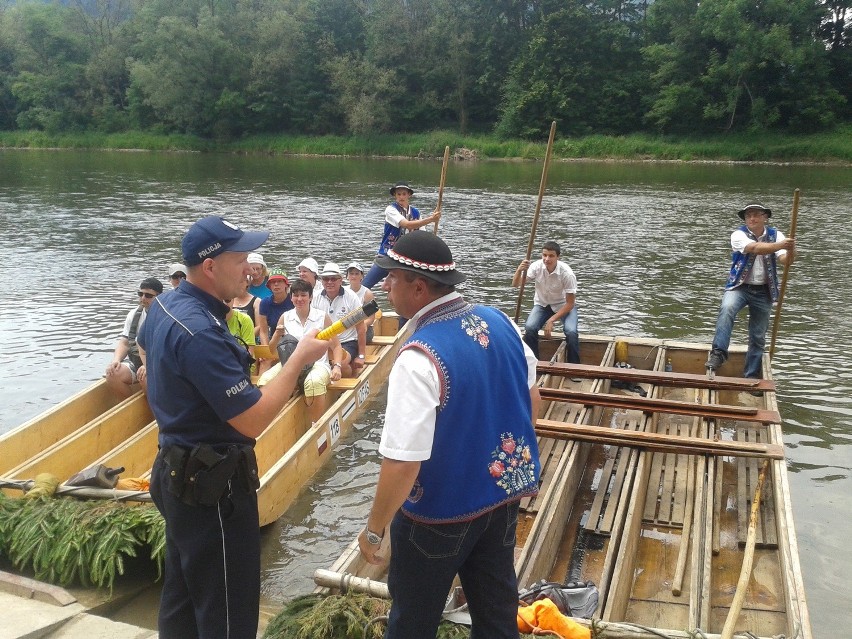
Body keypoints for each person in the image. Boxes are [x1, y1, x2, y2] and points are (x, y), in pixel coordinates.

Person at [137, 215, 328, 639]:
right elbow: (253, 419)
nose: (249, 268)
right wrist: (298, 359)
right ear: (210, 266)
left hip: (173, 471)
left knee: (183, 599)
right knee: (228, 613)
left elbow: (148, 356)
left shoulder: (165, 306)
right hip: (213, 490)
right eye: (240, 258)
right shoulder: (202, 332)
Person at [358, 231, 541, 639]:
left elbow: (404, 461)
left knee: (412, 621)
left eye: (392, 278)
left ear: (418, 287)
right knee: (496, 611)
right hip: (500, 499)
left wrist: (374, 528)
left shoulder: (418, 356)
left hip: (439, 516)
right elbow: (531, 399)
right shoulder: (501, 320)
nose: (384, 285)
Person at [706, 203, 795, 378]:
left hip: (764, 290)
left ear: (765, 217)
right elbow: (755, 248)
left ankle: (751, 376)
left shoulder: (776, 235)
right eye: (748, 216)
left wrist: (792, 249)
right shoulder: (738, 234)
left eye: (755, 215)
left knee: (758, 335)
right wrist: (781, 245)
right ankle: (718, 353)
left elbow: (785, 260)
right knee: (727, 309)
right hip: (739, 287)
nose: (752, 219)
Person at [262, 278, 344, 422]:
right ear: (291, 297)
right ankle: (270, 423)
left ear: (310, 297)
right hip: (291, 363)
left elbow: (336, 346)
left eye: (303, 295)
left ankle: (316, 426)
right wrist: (276, 335)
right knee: (265, 380)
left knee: (314, 382)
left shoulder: (322, 317)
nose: (299, 299)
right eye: (296, 295)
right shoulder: (285, 317)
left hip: (318, 364)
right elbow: (271, 350)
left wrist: (337, 366)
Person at [362, 182, 442, 290]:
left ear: (409, 195)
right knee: (365, 286)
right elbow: (406, 224)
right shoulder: (391, 209)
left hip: (405, 259)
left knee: (407, 290)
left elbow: (421, 235)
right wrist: (431, 219)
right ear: (395, 195)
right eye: (398, 194)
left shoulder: (415, 213)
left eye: (404, 194)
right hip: (388, 255)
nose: (401, 197)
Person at [512, 240, 580, 363]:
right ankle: (534, 361)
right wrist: (519, 270)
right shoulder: (536, 267)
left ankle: (574, 365)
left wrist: (551, 320)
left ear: (558, 257)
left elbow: (570, 303)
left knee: (571, 332)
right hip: (542, 304)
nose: (547, 259)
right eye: (544, 255)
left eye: (551, 256)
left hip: (563, 305)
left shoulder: (567, 274)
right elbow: (516, 284)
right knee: (530, 328)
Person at [104, 276, 163, 398]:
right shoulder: (133, 315)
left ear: (159, 297)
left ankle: (154, 412)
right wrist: (116, 360)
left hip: (158, 365)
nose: (143, 298)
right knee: (112, 374)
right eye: (140, 294)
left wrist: (149, 366)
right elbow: (125, 342)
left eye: (148, 295)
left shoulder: (164, 316)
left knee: (146, 378)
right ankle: (130, 411)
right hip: (137, 362)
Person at [312, 262, 366, 377]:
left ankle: (345, 387)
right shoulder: (315, 297)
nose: (329, 282)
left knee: (341, 363)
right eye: (326, 279)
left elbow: (361, 328)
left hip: (347, 341)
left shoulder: (351, 297)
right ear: (322, 281)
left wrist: (361, 356)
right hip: (324, 341)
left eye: (333, 279)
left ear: (340, 280)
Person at [346, 261, 376, 343]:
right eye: (351, 274)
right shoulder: (344, 291)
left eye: (356, 274)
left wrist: (361, 326)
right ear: (347, 276)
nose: (354, 276)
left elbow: (371, 318)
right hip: (347, 327)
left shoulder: (367, 293)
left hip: (365, 328)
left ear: (362, 276)